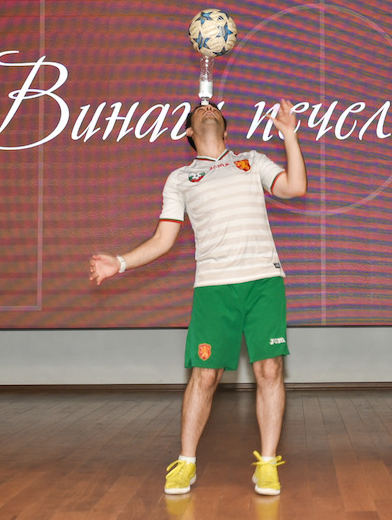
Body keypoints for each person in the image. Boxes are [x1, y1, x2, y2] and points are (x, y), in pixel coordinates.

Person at [89, 99, 306, 496]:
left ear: (225, 127)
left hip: (263, 281)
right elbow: (163, 239)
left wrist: (289, 135)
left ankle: (267, 464)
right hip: (213, 288)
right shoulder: (180, 179)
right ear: (189, 131)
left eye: (214, 109)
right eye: (199, 110)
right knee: (204, 376)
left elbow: (295, 188)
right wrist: (119, 263)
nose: (208, 109)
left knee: (270, 371)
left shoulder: (252, 162)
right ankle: (185, 463)